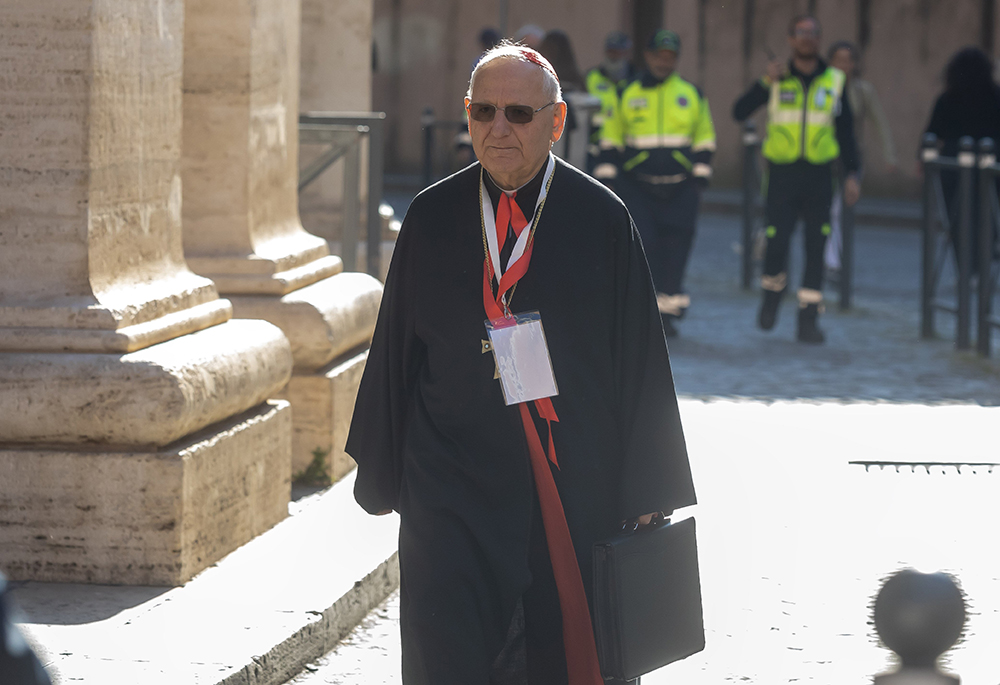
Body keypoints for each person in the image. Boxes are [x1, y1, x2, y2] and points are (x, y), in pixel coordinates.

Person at [346, 42, 696, 685]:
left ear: (557, 121)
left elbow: (642, 360)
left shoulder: (602, 219)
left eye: (518, 114)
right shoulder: (431, 216)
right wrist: (384, 469)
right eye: (483, 112)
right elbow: (396, 348)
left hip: (568, 481)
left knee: (560, 649)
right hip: (449, 479)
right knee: (445, 645)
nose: (498, 129)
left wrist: (649, 487)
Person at [733, 15, 860, 344]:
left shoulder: (835, 80)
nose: (808, 39)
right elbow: (739, 111)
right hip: (782, 174)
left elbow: (846, 134)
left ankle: (808, 320)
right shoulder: (776, 78)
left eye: (814, 34)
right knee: (775, 244)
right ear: (790, 40)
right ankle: (772, 295)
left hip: (819, 175)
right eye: (801, 33)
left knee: (816, 247)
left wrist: (853, 174)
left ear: (819, 40)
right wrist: (764, 81)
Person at [594, 29, 716, 337]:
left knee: (677, 248)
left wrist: (700, 177)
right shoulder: (626, 93)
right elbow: (610, 136)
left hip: (681, 187)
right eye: (659, 55)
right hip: (637, 186)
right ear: (648, 56)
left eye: (670, 56)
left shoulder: (691, 94)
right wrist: (609, 181)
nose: (664, 62)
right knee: (644, 247)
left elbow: (705, 136)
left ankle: (668, 313)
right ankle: (645, 311)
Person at [824, 40, 898, 274]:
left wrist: (889, 154)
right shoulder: (823, 86)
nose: (842, 65)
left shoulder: (862, 91)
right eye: (838, 60)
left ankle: (832, 259)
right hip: (823, 154)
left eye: (847, 61)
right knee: (823, 207)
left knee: (839, 208)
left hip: (850, 156)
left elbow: (880, 123)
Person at [925, 46, 1000, 275]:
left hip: (953, 168)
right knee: (988, 217)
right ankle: (985, 259)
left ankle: (967, 268)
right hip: (990, 165)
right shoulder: (995, 96)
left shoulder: (948, 99)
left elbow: (931, 134)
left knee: (958, 222)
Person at [585, 31, 638, 171]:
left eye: (619, 52)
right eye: (611, 51)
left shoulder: (636, 82)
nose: (614, 56)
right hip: (595, 150)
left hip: (628, 152)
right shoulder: (591, 78)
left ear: (627, 53)